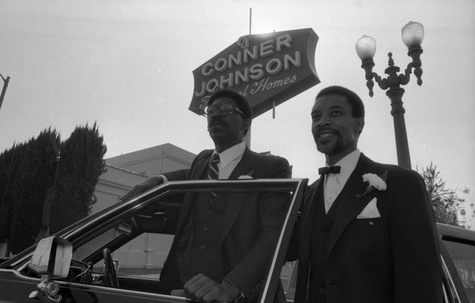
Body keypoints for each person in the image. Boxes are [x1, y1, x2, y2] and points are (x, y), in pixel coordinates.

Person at [122, 89, 291, 303]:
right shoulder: (202, 161)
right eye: (211, 111)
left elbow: (274, 235)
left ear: (245, 124)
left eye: (226, 110)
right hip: (183, 291)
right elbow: (184, 176)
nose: (216, 115)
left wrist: (231, 288)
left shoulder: (271, 167)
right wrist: (157, 180)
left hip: (237, 296)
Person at [288, 85, 442, 303]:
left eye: (335, 113)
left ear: (359, 124)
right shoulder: (306, 194)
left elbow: (421, 278)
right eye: (316, 116)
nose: (322, 122)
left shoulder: (402, 183)